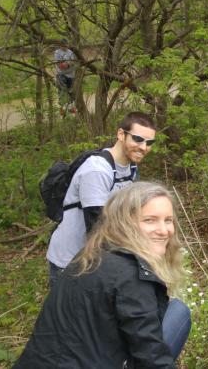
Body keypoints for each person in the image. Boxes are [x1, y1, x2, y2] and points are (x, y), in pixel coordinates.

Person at [15, 182, 191, 368]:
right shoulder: (132, 276)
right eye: (150, 220)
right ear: (125, 223)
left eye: (168, 220)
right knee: (179, 313)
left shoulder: (89, 256)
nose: (164, 231)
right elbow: (153, 359)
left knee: (176, 310)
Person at [46, 111, 157, 286]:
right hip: (70, 261)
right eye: (138, 139)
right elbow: (97, 225)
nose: (144, 147)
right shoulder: (97, 170)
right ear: (121, 134)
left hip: (96, 260)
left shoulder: (130, 169)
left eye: (149, 142)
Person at [53, 40, 78, 113]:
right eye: (63, 45)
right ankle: (62, 109)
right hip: (61, 74)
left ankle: (71, 108)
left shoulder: (70, 52)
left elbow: (74, 62)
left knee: (71, 91)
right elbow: (60, 66)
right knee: (62, 91)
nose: (65, 46)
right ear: (60, 45)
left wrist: (68, 64)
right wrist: (68, 63)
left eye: (66, 45)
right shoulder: (57, 53)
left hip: (71, 75)